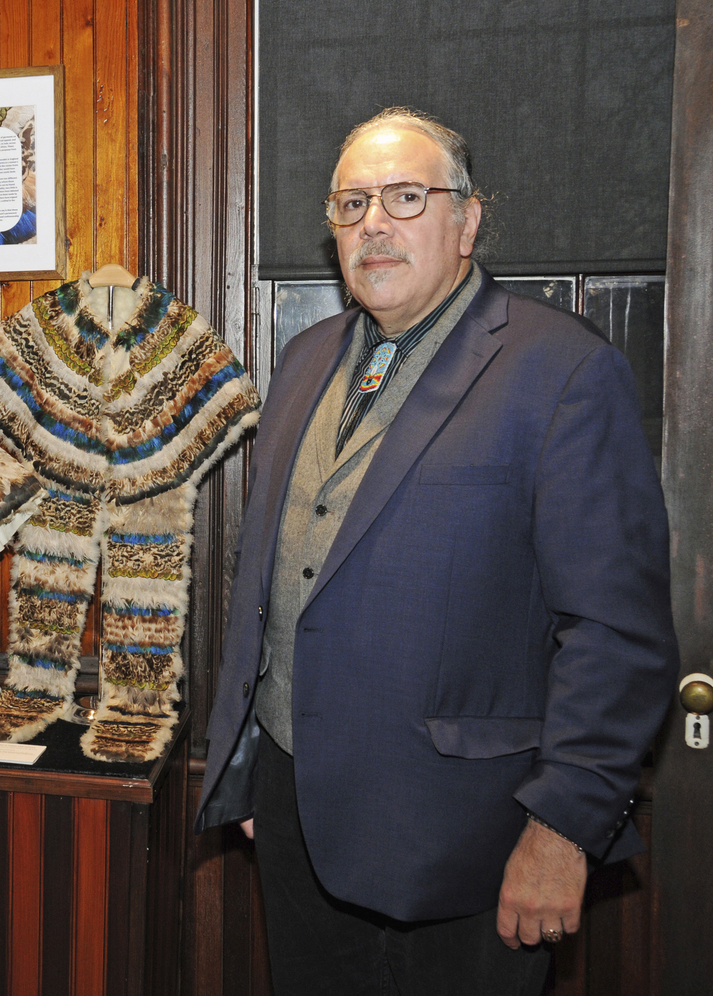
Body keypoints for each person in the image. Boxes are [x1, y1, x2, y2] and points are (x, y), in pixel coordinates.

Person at [193, 109, 678, 994]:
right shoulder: (304, 361)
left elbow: (617, 632)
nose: (373, 222)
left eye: (405, 196)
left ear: (466, 221)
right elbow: (273, 575)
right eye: (350, 203)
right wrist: (255, 767)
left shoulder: (560, 372)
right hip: (297, 820)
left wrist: (564, 830)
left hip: (468, 848)